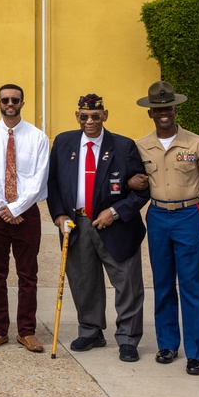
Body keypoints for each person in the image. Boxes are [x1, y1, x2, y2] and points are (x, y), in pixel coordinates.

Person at [47, 93, 148, 362]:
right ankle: (91, 330)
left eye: (95, 115)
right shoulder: (63, 142)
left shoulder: (124, 146)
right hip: (76, 223)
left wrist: (114, 212)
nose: (89, 121)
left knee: (127, 283)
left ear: (105, 115)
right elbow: (53, 183)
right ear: (77, 116)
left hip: (114, 224)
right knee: (83, 281)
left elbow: (140, 189)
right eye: (84, 116)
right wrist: (58, 214)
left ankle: (127, 337)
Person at [133, 81, 199, 376]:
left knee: (193, 286)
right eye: (157, 108)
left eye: (167, 107)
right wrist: (133, 182)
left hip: (188, 216)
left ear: (175, 108)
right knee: (162, 284)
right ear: (150, 113)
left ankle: (196, 353)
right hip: (158, 216)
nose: (163, 113)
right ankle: (167, 344)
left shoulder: (197, 144)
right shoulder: (141, 145)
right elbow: (132, 181)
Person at [0, 84, 50, 353]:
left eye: (15, 99)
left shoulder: (38, 137)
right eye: (5, 99)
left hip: (27, 213)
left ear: (22, 102)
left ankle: (27, 332)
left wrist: (17, 208)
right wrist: (6, 208)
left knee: (28, 274)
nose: (10, 103)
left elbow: (39, 177)